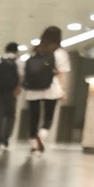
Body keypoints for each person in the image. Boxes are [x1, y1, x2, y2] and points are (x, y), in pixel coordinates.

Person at [19, 26, 72, 154]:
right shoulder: (59, 52)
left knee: (34, 117)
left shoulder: (34, 50)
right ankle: (41, 135)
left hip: (32, 89)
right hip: (51, 87)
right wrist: (63, 90)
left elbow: (25, 69)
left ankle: (33, 144)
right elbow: (62, 72)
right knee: (49, 116)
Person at [0, 42, 21, 150]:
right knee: (10, 116)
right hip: (11, 93)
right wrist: (17, 89)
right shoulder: (18, 62)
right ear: (16, 51)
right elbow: (21, 77)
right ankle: (6, 138)